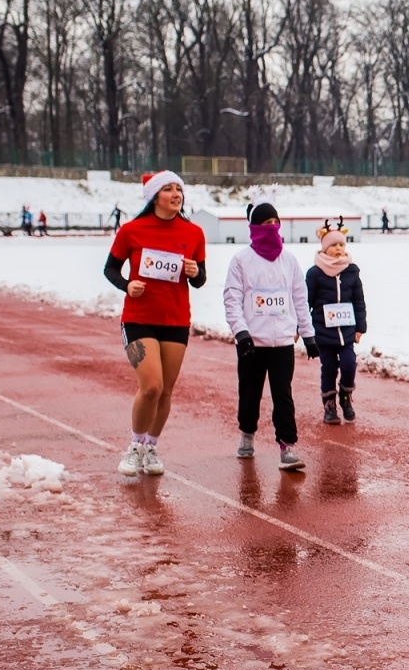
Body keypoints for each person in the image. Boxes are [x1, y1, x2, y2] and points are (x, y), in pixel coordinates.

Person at [103, 171, 207, 477]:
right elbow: (110, 269)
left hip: (175, 320)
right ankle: (135, 446)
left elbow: (201, 279)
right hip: (138, 319)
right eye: (168, 189)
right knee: (151, 386)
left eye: (179, 189)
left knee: (166, 391)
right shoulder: (131, 230)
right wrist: (127, 285)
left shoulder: (194, 232)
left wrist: (195, 272)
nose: (176, 195)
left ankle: (151, 447)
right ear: (154, 197)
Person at [223, 203, 317, 471]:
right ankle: (247, 433)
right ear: (254, 227)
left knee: (283, 395)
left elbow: (299, 299)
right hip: (252, 342)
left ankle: (287, 446)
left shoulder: (289, 260)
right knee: (250, 392)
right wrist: (241, 333)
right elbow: (232, 299)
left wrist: (308, 335)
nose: (272, 227)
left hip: (283, 342)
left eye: (275, 222)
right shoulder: (241, 260)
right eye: (266, 223)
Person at [306, 224, 367, 424]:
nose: (339, 249)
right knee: (329, 367)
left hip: (347, 331)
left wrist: (360, 327)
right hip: (324, 331)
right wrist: (301, 327)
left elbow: (358, 300)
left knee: (349, 364)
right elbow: (306, 301)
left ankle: (346, 396)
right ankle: (329, 405)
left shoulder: (351, 271)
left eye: (341, 245)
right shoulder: (315, 273)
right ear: (324, 248)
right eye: (334, 245)